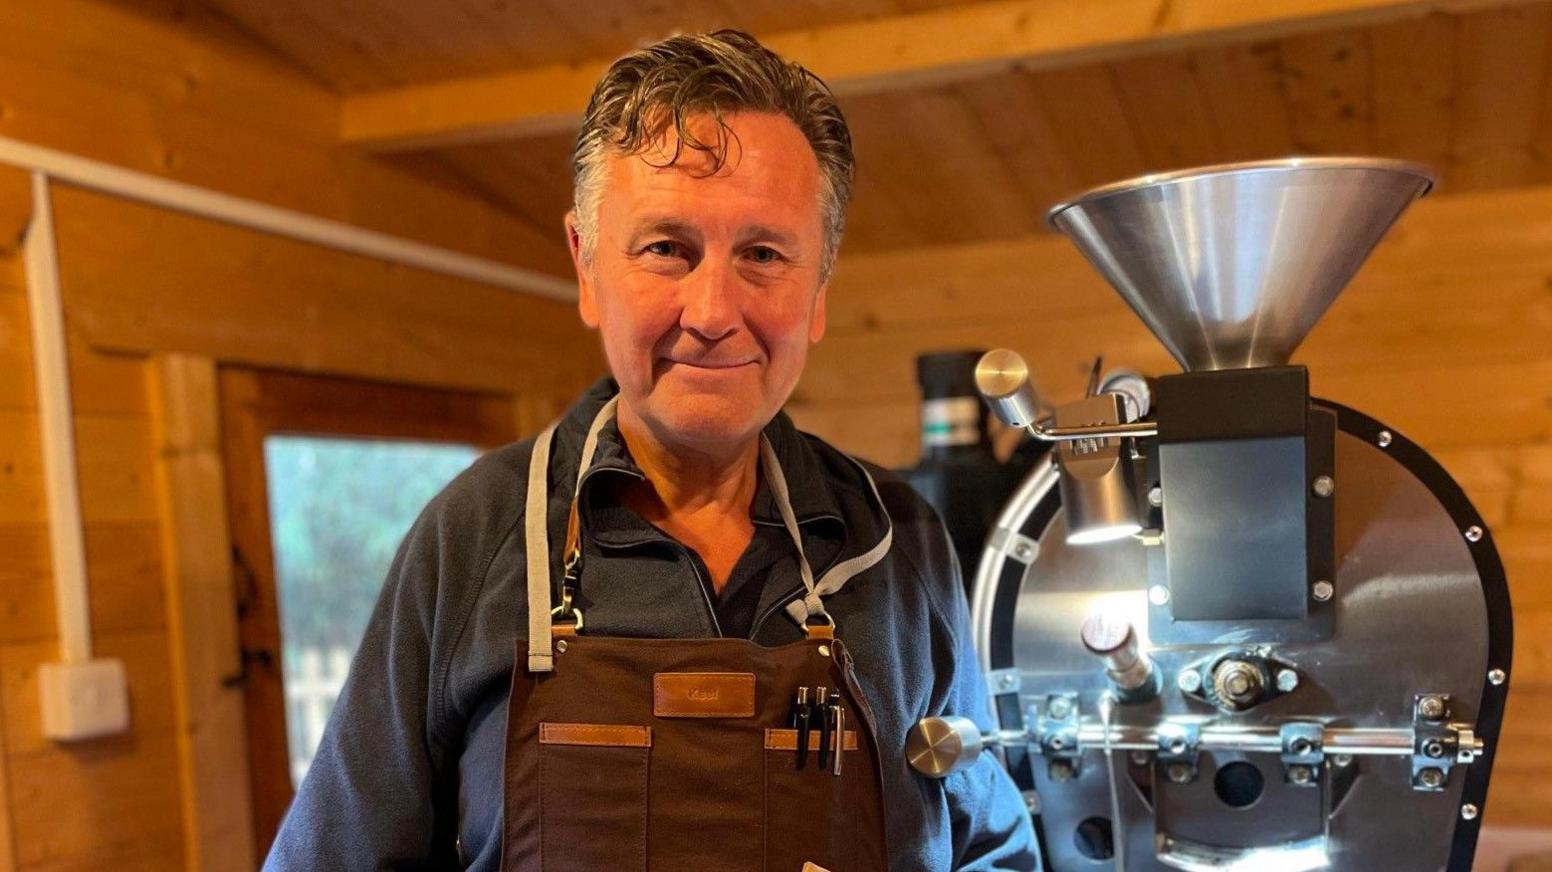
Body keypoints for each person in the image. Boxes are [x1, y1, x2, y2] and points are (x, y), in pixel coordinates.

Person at [265, 29, 1039, 871]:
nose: (712, 311)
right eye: (667, 248)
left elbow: (989, 842)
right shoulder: (478, 534)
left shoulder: (899, 541)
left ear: (819, 288)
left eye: (764, 254)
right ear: (587, 265)